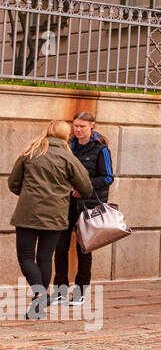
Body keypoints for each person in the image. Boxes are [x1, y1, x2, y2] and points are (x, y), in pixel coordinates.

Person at [8, 121, 94, 320]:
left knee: (26, 257)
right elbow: (87, 188)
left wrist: (29, 195)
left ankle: (39, 294)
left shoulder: (29, 152)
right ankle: (39, 302)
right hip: (56, 214)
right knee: (45, 258)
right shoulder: (69, 158)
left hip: (27, 213)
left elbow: (13, 183)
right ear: (66, 136)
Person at [51, 111, 114, 306]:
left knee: (84, 250)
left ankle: (80, 293)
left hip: (88, 205)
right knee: (60, 247)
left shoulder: (101, 148)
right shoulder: (68, 145)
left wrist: (83, 186)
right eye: (75, 126)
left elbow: (108, 177)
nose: (77, 130)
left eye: (82, 126)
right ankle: (60, 291)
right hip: (66, 203)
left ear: (92, 126)